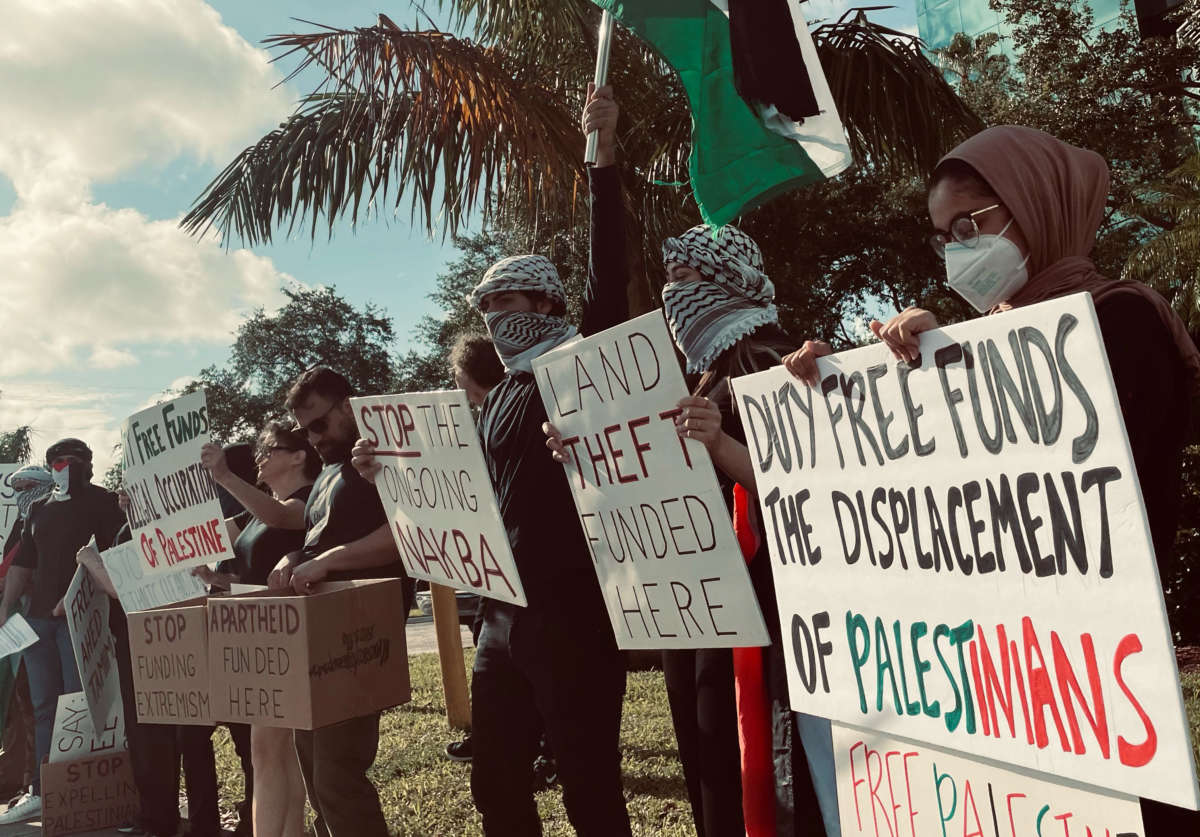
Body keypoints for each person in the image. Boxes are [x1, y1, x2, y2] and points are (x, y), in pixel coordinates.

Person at [785, 125, 1200, 833]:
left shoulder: (1121, 319)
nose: (956, 252)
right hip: (1006, 680)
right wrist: (838, 395)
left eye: (968, 225)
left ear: (1034, 204)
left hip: (1101, 682)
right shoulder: (984, 345)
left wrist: (962, 357)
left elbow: (1067, 480)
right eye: (943, 236)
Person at [353, 83, 632, 836]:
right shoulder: (501, 395)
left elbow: (609, 270)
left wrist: (602, 156)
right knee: (496, 781)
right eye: (485, 307)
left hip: (574, 611)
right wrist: (388, 470)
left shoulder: (584, 359)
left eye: (510, 300)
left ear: (547, 304)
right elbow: (467, 489)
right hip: (503, 618)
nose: (496, 317)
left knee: (589, 788)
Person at [543, 222, 836, 836]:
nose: (673, 293)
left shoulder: (769, 359)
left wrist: (720, 444)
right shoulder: (705, 371)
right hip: (706, 602)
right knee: (713, 766)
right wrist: (587, 449)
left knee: (754, 771)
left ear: (730, 277)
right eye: (668, 278)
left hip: (762, 609)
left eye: (686, 277)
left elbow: (805, 490)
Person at [267, 367, 410, 837]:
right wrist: (296, 555)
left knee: (337, 774)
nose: (312, 437)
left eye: (319, 424)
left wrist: (328, 560)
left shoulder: (384, 453)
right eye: (304, 429)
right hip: (318, 629)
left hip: (360, 629)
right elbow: (318, 537)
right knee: (312, 765)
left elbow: (411, 532)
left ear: (347, 406)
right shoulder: (329, 468)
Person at [199, 423, 318, 837]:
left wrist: (225, 476)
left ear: (299, 456)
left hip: (286, 640)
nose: (260, 458)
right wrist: (214, 578)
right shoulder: (254, 512)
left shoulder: (308, 500)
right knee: (280, 756)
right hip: (259, 640)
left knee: (266, 753)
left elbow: (282, 517)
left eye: (270, 449)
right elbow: (244, 569)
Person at [0, 439, 124, 824]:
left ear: (88, 464)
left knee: (82, 704)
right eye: (56, 461)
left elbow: (113, 554)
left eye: (71, 461)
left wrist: (74, 599)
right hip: (37, 622)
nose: (63, 467)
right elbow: (25, 560)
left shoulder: (103, 502)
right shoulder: (38, 508)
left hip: (81, 619)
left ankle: (91, 796)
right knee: (43, 709)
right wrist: (5, 609)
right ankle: (43, 790)